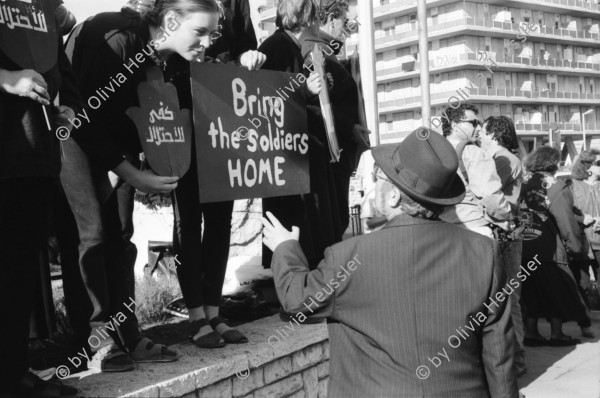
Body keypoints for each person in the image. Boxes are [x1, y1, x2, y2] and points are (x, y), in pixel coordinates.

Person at [64, 0, 264, 362]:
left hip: (115, 139)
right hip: (73, 131)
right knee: (91, 233)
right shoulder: (114, 37)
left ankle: (128, 334)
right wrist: (129, 172)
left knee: (122, 236)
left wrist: (142, 163)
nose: (207, 42)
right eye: (200, 32)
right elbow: (83, 114)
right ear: (171, 20)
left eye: (212, 33)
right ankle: (96, 342)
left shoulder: (168, 59)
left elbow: (148, 117)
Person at [262, 128, 519, 397]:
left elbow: (297, 300)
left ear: (395, 196)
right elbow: (499, 356)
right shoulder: (483, 254)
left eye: (379, 177)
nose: (375, 184)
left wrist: (285, 247)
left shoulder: (347, 257)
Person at [0, 3, 80, 396]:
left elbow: (55, 69)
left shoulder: (45, 9)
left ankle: (14, 372)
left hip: (34, 157)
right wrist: (5, 78)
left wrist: (62, 108)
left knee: (18, 274)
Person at [259, 0, 367, 271]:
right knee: (299, 222)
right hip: (289, 157)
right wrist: (304, 90)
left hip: (306, 150)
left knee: (316, 223)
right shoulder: (277, 47)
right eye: (315, 19)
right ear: (306, 18)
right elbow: (265, 99)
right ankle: (297, 282)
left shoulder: (298, 48)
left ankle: (313, 278)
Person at [519, 146, 590, 347]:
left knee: (531, 292)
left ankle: (531, 332)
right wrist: (575, 247)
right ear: (553, 163)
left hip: (524, 247)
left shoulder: (522, 183)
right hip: (549, 249)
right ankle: (557, 334)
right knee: (557, 292)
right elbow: (566, 221)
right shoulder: (555, 186)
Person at [479, 116, 526, 376]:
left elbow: (489, 193)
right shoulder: (502, 157)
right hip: (505, 230)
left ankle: (517, 360)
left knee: (508, 297)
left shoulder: (503, 159)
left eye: (483, 130)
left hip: (506, 230)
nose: (479, 134)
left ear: (494, 133)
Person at [439, 104, 513, 239]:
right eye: (473, 123)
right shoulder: (473, 152)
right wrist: (507, 216)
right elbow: (491, 197)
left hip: (441, 230)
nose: (478, 127)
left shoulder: (434, 152)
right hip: (473, 229)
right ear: (455, 125)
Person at [569, 148, 600, 338]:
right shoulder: (573, 185)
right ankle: (585, 323)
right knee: (583, 283)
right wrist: (584, 219)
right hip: (582, 241)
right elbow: (567, 211)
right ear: (587, 166)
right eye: (598, 163)